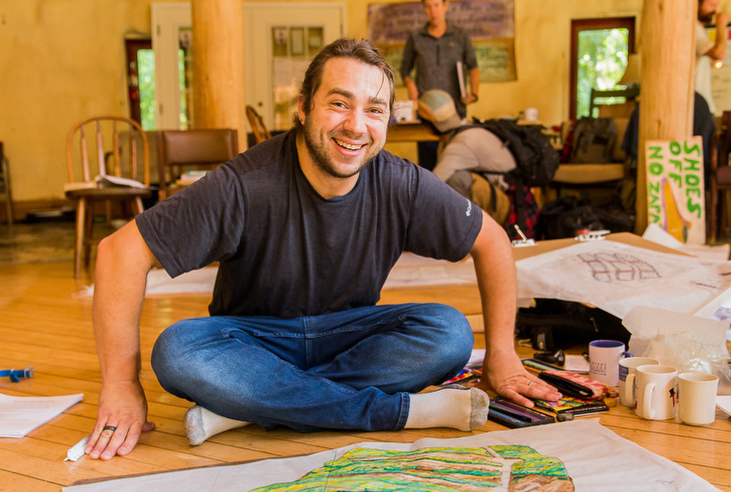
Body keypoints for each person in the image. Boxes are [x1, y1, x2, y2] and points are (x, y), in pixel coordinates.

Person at [84, 38, 559, 461]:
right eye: (338, 103)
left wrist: (502, 355)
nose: (356, 126)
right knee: (178, 351)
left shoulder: (402, 183)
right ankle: (395, 412)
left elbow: (493, 240)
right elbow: (118, 253)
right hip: (252, 339)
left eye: (374, 110)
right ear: (303, 107)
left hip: (350, 336)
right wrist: (121, 386)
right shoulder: (243, 184)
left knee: (449, 332)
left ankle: (249, 409)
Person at [400, 0, 480, 169]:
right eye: (428, 6)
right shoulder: (415, 36)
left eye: (436, 5)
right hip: (427, 115)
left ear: (446, 5)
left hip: (455, 113)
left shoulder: (461, 35)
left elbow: (473, 67)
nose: (433, 11)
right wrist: (410, 84)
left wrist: (473, 93)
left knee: (456, 164)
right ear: (424, 9)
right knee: (428, 166)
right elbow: (404, 69)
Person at [696, 0, 729, 113]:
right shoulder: (693, 28)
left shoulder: (698, 28)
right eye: (712, 5)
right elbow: (718, 54)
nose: (715, 11)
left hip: (701, 104)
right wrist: (721, 26)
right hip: (697, 106)